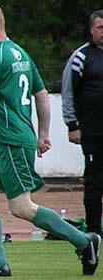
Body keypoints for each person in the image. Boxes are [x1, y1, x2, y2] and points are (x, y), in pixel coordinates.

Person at [0, 3, 101, 277]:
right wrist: (43, 133)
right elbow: (40, 94)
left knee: (21, 206)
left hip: (11, 142)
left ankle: (86, 243)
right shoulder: (20, 53)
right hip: (4, 142)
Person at [61, 10, 103, 237]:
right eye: (100, 28)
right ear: (91, 29)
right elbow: (68, 92)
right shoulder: (81, 57)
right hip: (92, 131)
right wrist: (72, 124)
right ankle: (95, 229)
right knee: (94, 181)